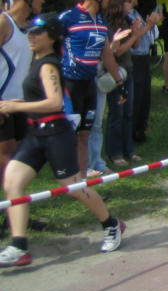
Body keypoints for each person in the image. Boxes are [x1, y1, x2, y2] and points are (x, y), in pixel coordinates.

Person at [0, 14, 125, 267]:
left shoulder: (48, 65)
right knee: (12, 182)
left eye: (38, 33)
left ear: (52, 38)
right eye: (30, 32)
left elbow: (54, 102)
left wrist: (15, 106)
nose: (31, 37)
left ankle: (112, 224)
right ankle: (19, 245)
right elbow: (39, 101)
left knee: (73, 186)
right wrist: (14, 104)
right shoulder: (35, 62)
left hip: (56, 134)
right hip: (36, 134)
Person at [59, 0, 125, 177]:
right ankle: (68, 179)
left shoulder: (100, 19)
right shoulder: (68, 18)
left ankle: (82, 182)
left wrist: (119, 82)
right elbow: (50, 49)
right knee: (70, 134)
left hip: (89, 83)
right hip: (70, 83)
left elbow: (106, 53)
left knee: (85, 134)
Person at [0, 0, 47, 185]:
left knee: (18, 162)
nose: (43, 0)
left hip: (19, 103)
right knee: (5, 161)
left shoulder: (30, 28)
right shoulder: (4, 22)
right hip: (3, 103)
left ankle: (14, 207)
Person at [105, 0, 155, 166]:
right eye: (127, 1)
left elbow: (135, 44)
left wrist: (142, 29)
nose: (131, 4)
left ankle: (129, 150)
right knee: (117, 113)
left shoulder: (128, 20)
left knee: (129, 112)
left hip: (129, 70)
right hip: (116, 72)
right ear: (118, 4)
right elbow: (117, 51)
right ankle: (115, 152)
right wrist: (135, 34)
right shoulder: (110, 25)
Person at [129, 0, 161, 143]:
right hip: (134, 59)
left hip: (144, 57)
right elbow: (134, 39)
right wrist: (149, 25)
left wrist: (151, 24)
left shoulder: (136, 13)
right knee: (136, 97)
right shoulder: (127, 17)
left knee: (144, 97)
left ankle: (140, 131)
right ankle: (132, 133)